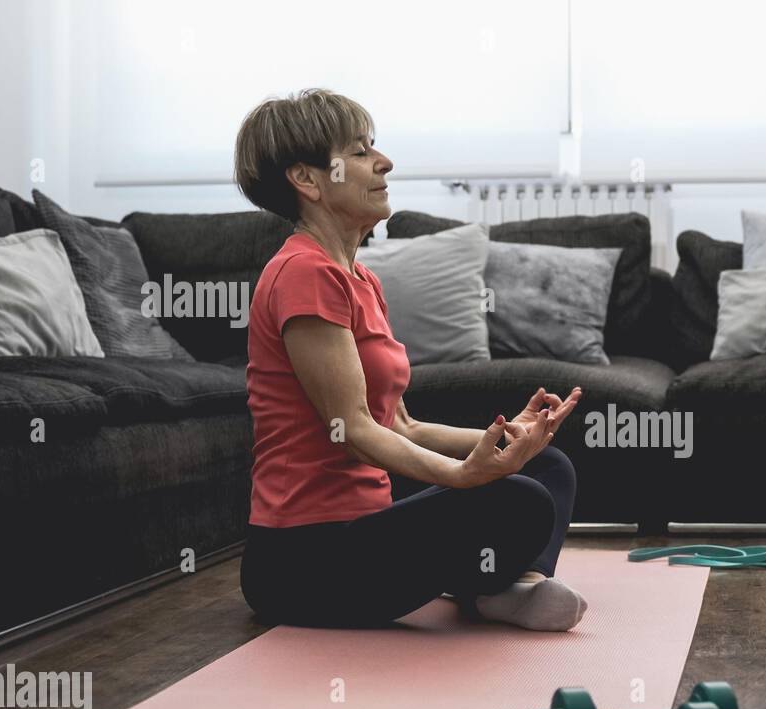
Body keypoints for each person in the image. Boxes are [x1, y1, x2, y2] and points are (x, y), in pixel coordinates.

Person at [233, 89, 587, 631]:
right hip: (303, 561)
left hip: (365, 526)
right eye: (358, 152)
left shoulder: (361, 279)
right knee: (519, 501)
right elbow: (350, 429)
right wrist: (465, 476)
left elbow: (400, 424)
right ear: (307, 180)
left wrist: (507, 440)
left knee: (544, 466)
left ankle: (513, 586)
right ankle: (497, 586)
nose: (384, 162)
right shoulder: (304, 273)